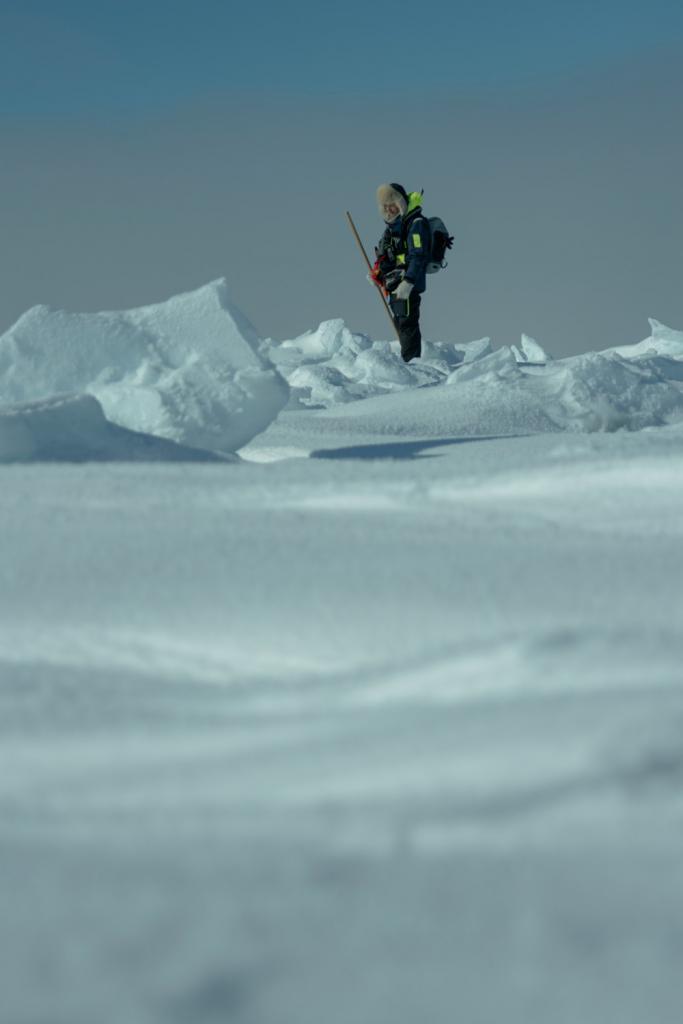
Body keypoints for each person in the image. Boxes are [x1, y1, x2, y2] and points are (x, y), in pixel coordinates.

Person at [371, 183, 431, 363]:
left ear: (401, 204)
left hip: (409, 283)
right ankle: (409, 360)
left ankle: (412, 363)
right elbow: (386, 256)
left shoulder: (415, 224)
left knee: (407, 323)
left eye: (392, 206)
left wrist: (409, 281)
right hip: (396, 284)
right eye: (385, 207)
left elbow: (418, 255)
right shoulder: (391, 229)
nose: (389, 211)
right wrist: (378, 274)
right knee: (400, 323)